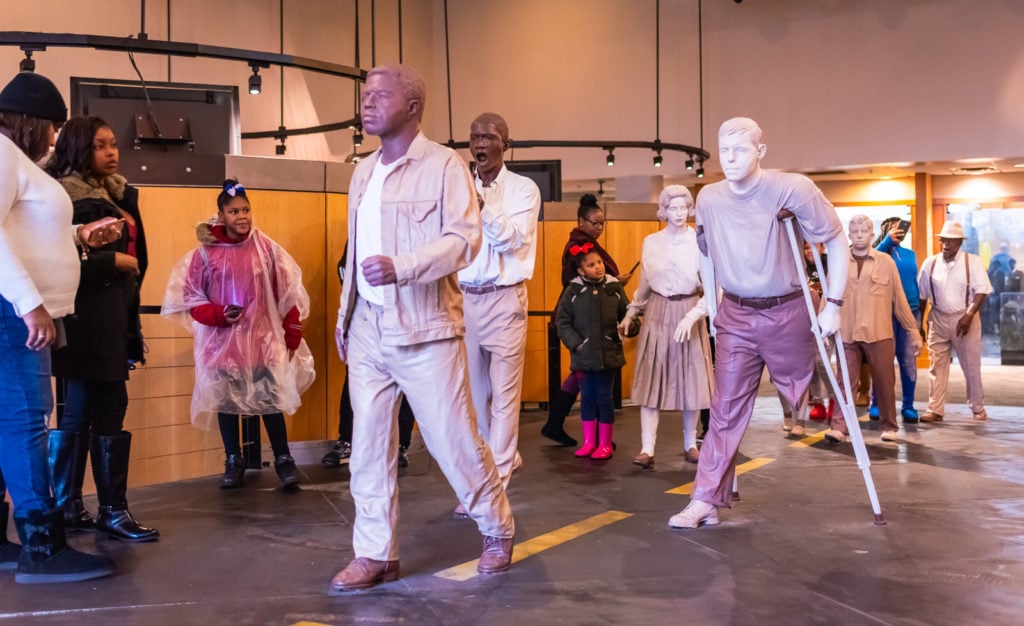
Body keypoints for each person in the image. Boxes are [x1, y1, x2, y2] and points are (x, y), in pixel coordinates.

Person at [331, 63, 514, 592]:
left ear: (412, 107)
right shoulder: (362, 171)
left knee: (453, 440)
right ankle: (374, 552)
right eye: (365, 94)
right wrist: (347, 315)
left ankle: (496, 528)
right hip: (368, 328)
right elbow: (357, 251)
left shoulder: (444, 167)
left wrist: (404, 265)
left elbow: (464, 240)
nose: (366, 103)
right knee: (366, 446)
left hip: (426, 328)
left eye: (379, 95)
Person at [668, 117, 849, 529]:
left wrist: (834, 304)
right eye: (723, 149)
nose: (730, 158)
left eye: (741, 149)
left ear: (761, 151)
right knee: (724, 409)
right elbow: (708, 254)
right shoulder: (709, 198)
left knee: (815, 387)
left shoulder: (793, 187)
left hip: (788, 310)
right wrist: (714, 311)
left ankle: (838, 425)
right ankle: (705, 499)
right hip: (736, 312)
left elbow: (834, 238)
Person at [0, 70, 115, 583]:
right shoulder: (2, 155)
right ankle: (43, 547)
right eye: (51, 126)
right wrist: (30, 305)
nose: (54, 137)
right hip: (10, 313)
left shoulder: (17, 161)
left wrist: (78, 234)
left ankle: (10, 542)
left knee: (9, 421)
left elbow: (22, 233)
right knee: (27, 419)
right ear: (31, 121)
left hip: (12, 308)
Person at [44, 116, 157, 542]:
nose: (112, 152)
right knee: (105, 407)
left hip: (108, 317)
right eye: (100, 145)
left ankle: (70, 505)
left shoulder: (115, 194)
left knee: (79, 413)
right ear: (78, 148)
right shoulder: (67, 198)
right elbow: (54, 259)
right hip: (87, 319)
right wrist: (114, 262)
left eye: (114, 144)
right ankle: (109, 509)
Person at [161, 179, 315, 489]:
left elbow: (287, 295)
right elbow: (192, 300)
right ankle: (233, 459)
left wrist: (291, 334)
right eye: (234, 211)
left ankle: (284, 459)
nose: (242, 216)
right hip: (222, 346)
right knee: (227, 403)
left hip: (263, 343)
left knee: (270, 402)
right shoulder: (205, 255)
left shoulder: (267, 249)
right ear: (220, 215)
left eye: (246, 210)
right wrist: (219, 314)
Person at [456, 111, 540, 503]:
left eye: (488, 136)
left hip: (505, 298)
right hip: (465, 299)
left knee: (505, 397)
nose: (479, 143)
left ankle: (496, 482)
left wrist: (481, 204)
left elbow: (511, 242)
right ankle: (497, 463)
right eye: (474, 137)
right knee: (474, 399)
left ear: (506, 144)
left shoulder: (524, 190)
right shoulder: (458, 187)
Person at [617, 185, 711, 468]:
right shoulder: (652, 242)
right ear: (664, 211)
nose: (679, 213)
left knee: (691, 381)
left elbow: (713, 289)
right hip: (657, 312)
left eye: (684, 207)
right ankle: (647, 448)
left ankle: (690, 443)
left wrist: (693, 316)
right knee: (651, 382)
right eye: (673, 208)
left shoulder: (699, 242)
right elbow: (646, 283)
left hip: (689, 311)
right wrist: (631, 312)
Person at [822, 215, 922, 444]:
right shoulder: (838, 262)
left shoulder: (885, 262)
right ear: (848, 234)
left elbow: (900, 300)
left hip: (879, 332)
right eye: (854, 231)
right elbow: (828, 297)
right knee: (844, 381)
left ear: (871, 233)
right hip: (846, 332)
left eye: (863, 231)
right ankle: (839, 426)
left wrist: (913, 332)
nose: (859, 236)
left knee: (885, 380)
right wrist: (823, 329)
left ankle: (889, 425)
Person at [541, 193, 630, 446]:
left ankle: (555, 424)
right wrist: (613, 282)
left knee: (584, 377)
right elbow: (577, 283)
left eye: (603, 223)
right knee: (592, 382)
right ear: (581, 221)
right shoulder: (578, 246)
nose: (599, 227)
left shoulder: (582, 242)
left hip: (589, 318)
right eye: (594, 222)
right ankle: (598, 437)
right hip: (584, 319)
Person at [322, 248, 415, 469]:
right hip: (364, 313)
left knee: (406, 382)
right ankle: (347, 441)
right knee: (355, 384)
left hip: (406, 313)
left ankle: (401, 446)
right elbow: (345, 267)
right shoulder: (362, 219)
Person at [556, 246, 636, 459]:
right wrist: (576, 344)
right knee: (588, 399)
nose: (598, 267)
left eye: (599, 262)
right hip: (584, 356)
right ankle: (589, 442)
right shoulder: (572, 291)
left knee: (605, 398)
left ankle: (605, 444)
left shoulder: (614, 287)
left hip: (608, 355)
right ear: (581, 271)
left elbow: (628, 313)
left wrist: (629, 326)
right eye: (591, 265)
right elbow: (562, 321)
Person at [917, 221, 992, 422]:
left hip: (965, 317)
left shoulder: (972, 261)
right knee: (936, 366)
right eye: (943, 240)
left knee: (971, 365)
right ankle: (935, 409)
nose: (945, 244)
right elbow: (922, 296)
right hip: (938, 317)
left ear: (959, 242)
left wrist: (968, 315)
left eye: (950, 240)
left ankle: (978, 408)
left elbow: (982, 290)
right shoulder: (929, 263)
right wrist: (920, 324)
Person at [872, 216, 923, 422]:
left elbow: (914, 283)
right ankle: (877, 403)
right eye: (892, 229)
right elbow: (871, 260)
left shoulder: (910, 254)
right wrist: (886, 241)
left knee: (909, 362)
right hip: (884, 313)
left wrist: (920, 317)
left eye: (900, 230)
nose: (897, 232)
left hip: (910, 312)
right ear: (884, 230)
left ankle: (908, 405)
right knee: (882, 361)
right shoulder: (877, 253)